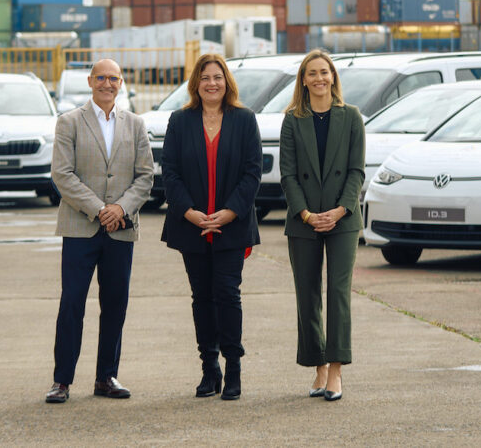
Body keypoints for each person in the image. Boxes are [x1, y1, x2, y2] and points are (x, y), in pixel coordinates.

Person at [45, 58, 154, 404]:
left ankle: (106, 377)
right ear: (90, 81)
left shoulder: (136, 124)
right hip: (80, 228)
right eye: (101, 78)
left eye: (114, 78)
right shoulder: (70, 122)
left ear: (121, 83)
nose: (108, 84)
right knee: (72, 304)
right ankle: (62, 381)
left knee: (115, 305)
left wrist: (120, 209)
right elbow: (63, 175)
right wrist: (99, 209)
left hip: (120, 229)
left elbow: (145, 176)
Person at [160, 53, 262, 401]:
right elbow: (169, 172)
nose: (212, 83)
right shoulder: (180, 120)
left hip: (231, 226)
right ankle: (209, 367)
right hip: (191, 226)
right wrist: (188, 212)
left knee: (227, 294)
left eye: (218, 77)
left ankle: (233, 367)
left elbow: (253, 173)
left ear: (227, 82)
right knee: (201, 297)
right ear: (196, 84)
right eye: (205, 78)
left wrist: (230, 212)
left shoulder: (245, 120)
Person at [279, 49, 364, 401]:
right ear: (303, 79)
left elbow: (357, 171)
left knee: (338, 293)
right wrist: (307, 214)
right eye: (312, 73)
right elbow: (287, 174)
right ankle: (317, 366)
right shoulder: (292, 120)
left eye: (324, 72)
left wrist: (341, 210)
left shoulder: (352, 117)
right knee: (308, 294)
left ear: (333, 77)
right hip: (304, 221)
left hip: (342, 220)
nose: (319, 78)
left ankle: (336, 370)